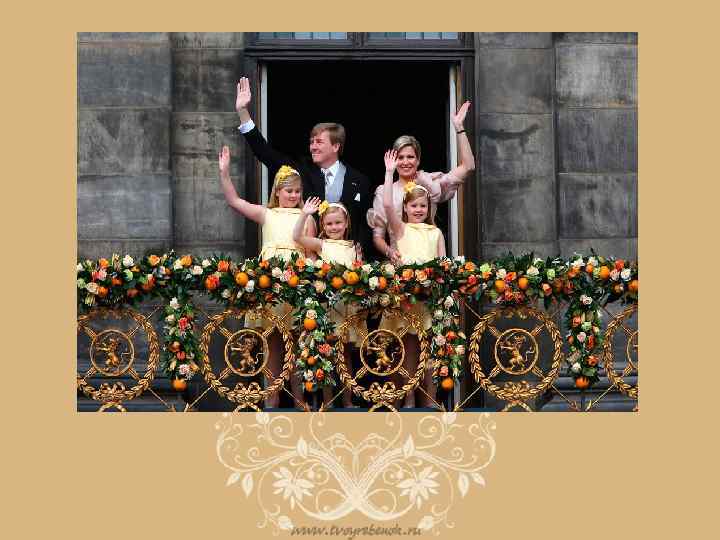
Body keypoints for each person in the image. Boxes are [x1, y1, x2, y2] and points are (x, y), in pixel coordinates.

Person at [218, 146, 316, 409]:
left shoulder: (306, 217)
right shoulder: (267, 213)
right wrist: (225, 173)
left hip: (296, 285)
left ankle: (299, 401)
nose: (293, 195)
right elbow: (235, 201)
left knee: (296, 345)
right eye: (288, 191)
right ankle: (271, 400)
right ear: (277, 192)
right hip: (270, 285)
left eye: (297, 191)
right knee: (272, 345)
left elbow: (311, 254)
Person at [234, 77, 374, 259]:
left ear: (335, 146)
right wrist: (243, 111)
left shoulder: (360, 180)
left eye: (319, 142)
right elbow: (264, 152)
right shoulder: (301, 170)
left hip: (344, 261)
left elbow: (365, 224)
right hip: (306, 261)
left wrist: (359, 251)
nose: (313, 147)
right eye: (311, 142)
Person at [368, 101, 475, 265]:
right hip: (399, 264)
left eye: (410, 157)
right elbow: (378, 236)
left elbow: (468, 166)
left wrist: (459, 128)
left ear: (418, 160)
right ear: (394, 160)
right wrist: (390, 252)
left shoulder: (430, 182)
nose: (405, 162)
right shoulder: (385, 191)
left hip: (430, 262)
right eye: (400, 157)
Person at [380, 149, 445, 409]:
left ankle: (429, 399)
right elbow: (387, 205)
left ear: (429, 208)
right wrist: (389, 173)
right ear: (405, 208)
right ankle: (407, 398)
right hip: (406, 300)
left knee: (429, 351)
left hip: (429, 300)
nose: (418, 210)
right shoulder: (400, 228)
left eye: (423, 206)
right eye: (414, 206)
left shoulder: (436, 232)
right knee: (407, 350)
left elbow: (442, 264)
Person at [293, 197, 367, 409]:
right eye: (329, 224)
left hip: (348, 308)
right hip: (329, 309)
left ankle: (347, 400)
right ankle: (328, 401)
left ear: (346, 223)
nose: (334, 227)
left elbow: (359, 273)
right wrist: (305, 214)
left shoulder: (354, 247)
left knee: (346, 356)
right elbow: (297, 237)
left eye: (338, 223)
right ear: (323, 226)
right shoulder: (321, 244)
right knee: (326, 353)